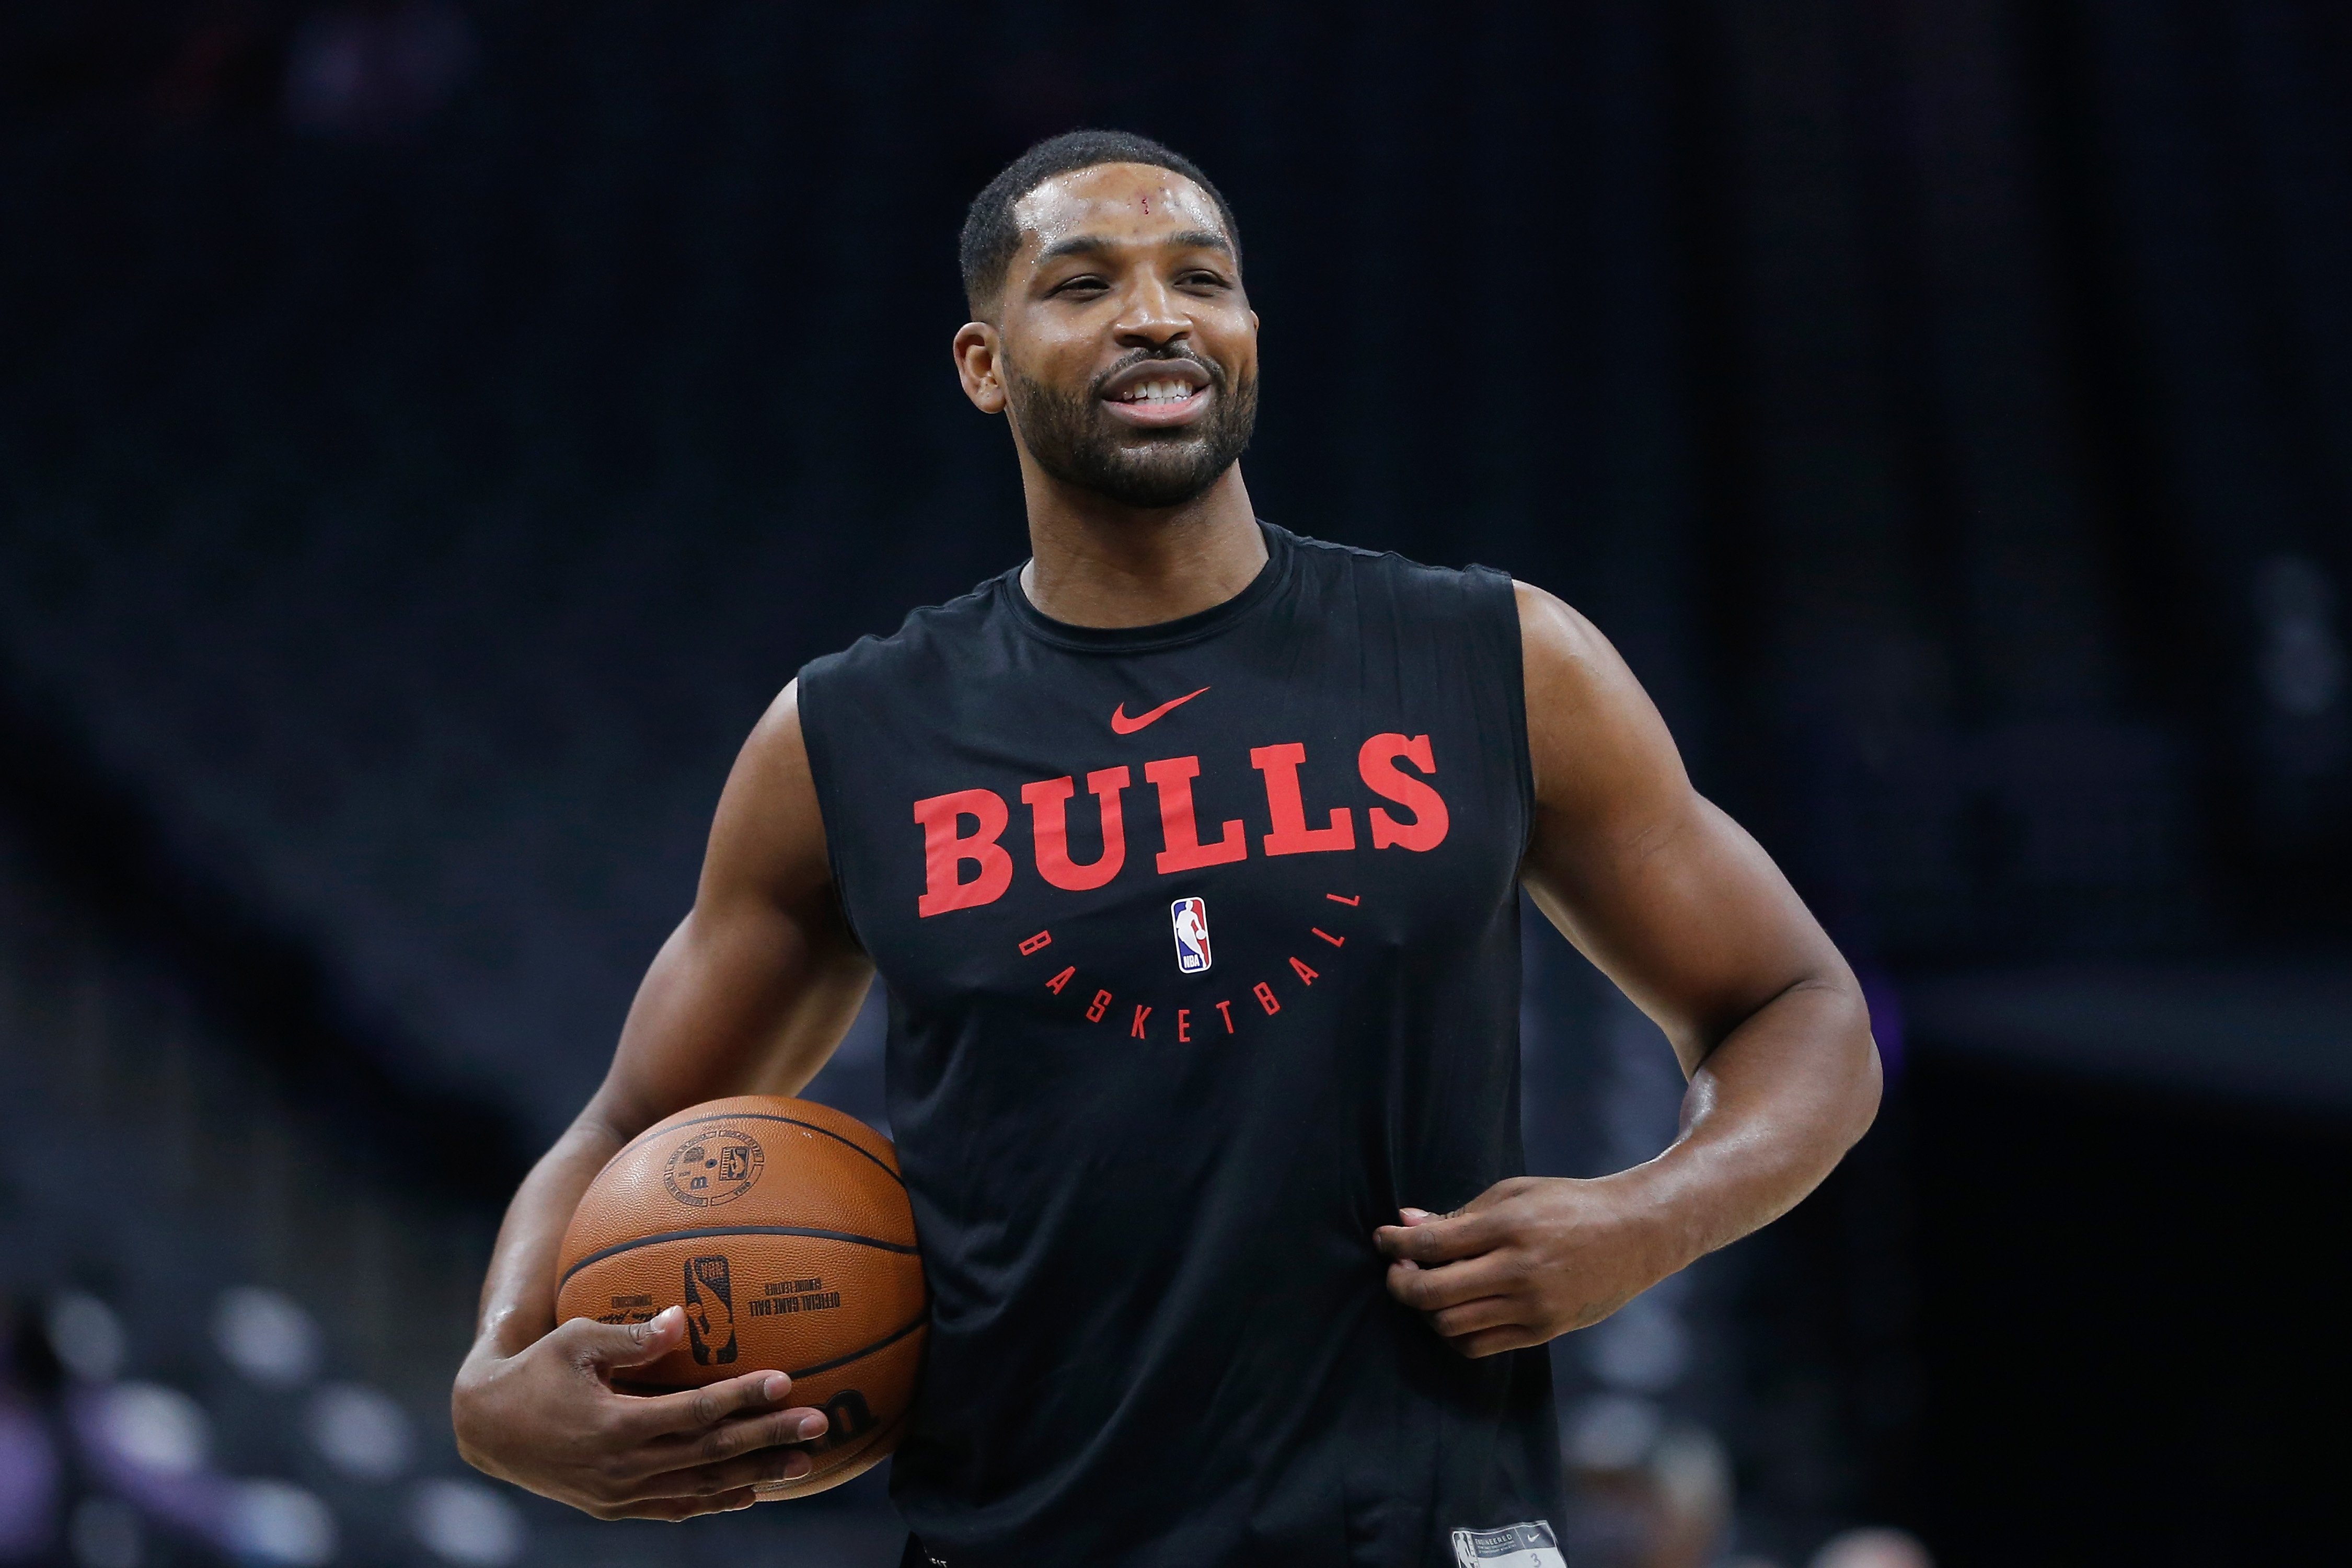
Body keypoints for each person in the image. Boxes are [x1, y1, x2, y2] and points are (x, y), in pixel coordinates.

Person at [450, 129, 1882, 1568]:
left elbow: (1798, 1010)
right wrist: (496, 1377)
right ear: (982, 364)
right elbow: (635, 1124)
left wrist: (1650, 1218)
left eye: (1200, 278)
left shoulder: (1494, 658)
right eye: (1081, 284)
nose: (1156, 314)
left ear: (1246, 333)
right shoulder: (846, 738)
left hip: (1423, 1534)